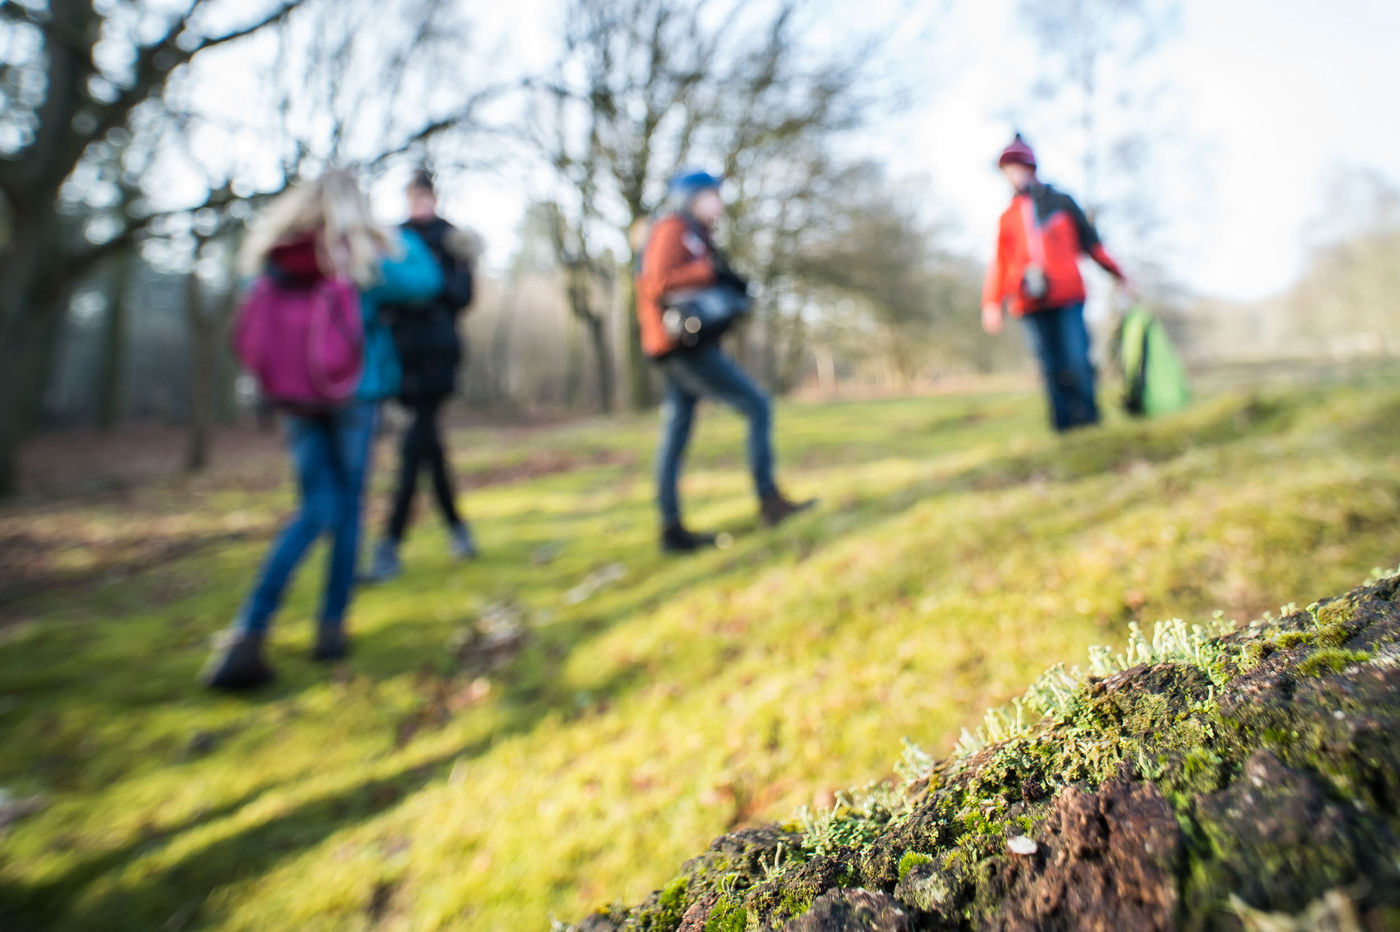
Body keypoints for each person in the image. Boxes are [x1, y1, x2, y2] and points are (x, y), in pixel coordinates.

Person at [202, 170, 444, 690]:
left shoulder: (276, 252)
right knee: (344, 506)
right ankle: (329, 627)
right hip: (353, 392)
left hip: (293, 398)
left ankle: (251, 629)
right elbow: (425, 280)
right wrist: (392, 233)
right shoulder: (356, 256)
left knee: (314, 507)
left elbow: (255, 320)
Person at [636, 169, 814, 554]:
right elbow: (658, 280)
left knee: (675, 435)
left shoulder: (697, 234)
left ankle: (671, 529)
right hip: (680, 345)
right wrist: (710, 273)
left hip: (681, 345)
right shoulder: (672, 226)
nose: (720, 203)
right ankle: (769, 502)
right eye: (713, 195)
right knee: (757, 406)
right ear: (692, 196)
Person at [364, 170, 480, 583]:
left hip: (439, 354)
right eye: (414, 197)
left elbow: (463, 296)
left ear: (434, 197)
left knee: (415, 446)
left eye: (425, 196)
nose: (420, 204)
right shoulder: (391, 238)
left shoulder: (453, 240)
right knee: (426, 446)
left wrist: (428, 282)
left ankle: (389, 546)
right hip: (400, 354)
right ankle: (458, 530)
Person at [982, 133, 1130, 432]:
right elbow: (1000, 263)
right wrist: (992, 303)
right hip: (1028, 302)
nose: (1012, 175)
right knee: (1050, 366)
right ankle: (1062, 426)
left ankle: (1088, 420)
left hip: (1067, 295)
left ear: (1031, 167)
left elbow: (1092, 244)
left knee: (1076, 359)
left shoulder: (1061, 203)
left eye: (1016, 167)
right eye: (1006, 171)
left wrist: (1119, 274)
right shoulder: (1008, 217)